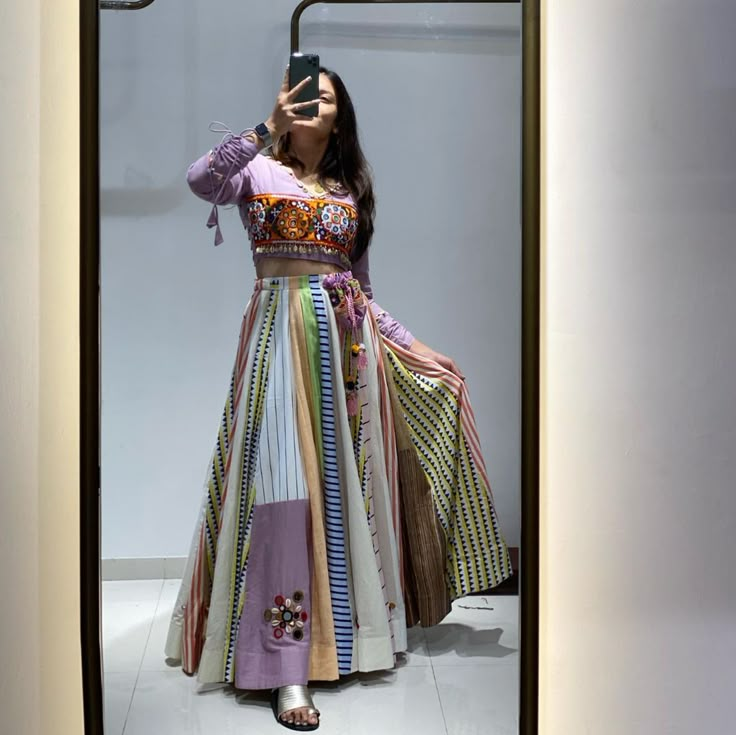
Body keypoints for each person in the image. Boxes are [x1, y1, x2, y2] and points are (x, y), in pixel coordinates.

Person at [164, 65, 512, 731]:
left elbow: (362, 287)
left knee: (336, 492)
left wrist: (415, 343)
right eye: (298, 92)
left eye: (320, 95)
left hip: (345, 354)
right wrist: (266, 127)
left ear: (339, 115)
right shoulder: (257, 170)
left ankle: (341, 633)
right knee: (281, 493)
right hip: (278, 339)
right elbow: (200, 179)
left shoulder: (349, 191)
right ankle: (282, 663)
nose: (307, 101)